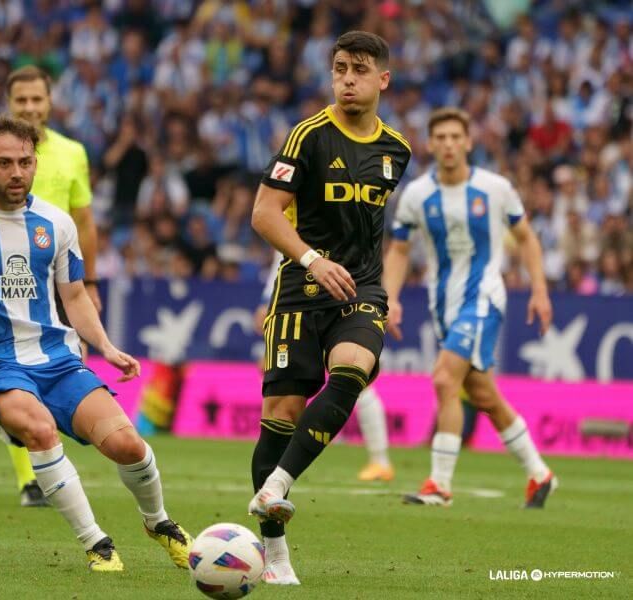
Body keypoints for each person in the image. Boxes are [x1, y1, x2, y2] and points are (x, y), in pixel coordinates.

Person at [0, 115, 192, 572]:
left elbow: (73, 294)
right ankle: (97, 543)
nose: (16, 172)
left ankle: (159, 523)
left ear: (36, 163)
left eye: (25, 162)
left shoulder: (55, 223)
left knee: (128, 445)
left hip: (57, 359)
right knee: (38, 430)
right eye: (5, 163)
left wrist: (107, 347)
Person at [247, 31, 411, 585]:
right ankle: (275, 557)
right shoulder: (308, 137)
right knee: (281, 418)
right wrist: (313, 259)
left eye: (359, 70)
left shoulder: (397, 151)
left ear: (382, 80)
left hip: (361, 289)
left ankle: (278, 485)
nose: (347, 79)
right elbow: (265, 214)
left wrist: (385, 289)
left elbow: (373, 232)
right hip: (300, 289)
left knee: (352, 371)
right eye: (340, 68)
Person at [384, 107, 557, 508]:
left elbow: (527, 238)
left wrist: (540, 291)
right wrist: (390, 297)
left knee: (445, 379)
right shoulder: (416, 195)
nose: (447, 144)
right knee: (484, 395)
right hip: (443, 304)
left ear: (468, 142)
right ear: (430, 144)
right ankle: (539, 473)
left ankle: (439, 486)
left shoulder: (495, 188)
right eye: (439, 137)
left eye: (454, 137)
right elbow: (399, 250)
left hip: (484, 298)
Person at [0, 66, 100, 507]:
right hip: (8, 276)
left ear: (50, 101)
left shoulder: (74, 153)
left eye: (37, 99)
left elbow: (84, 220)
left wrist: (90, 280)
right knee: (13, 372)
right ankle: (32, 479)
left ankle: (49, 449)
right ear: (9, 102)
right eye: (22, 101)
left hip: (60, 272)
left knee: (66, 361)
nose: (31, 107)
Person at [255, 251, 395, 482]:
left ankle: (378, 459)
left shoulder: (303, 223)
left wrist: (266, 302)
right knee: (341, 382)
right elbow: (282, 259)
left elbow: (287, 258)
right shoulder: (290, 223)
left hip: (327, 297)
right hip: (304, 296)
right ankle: (375, 457)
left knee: (350, 378)